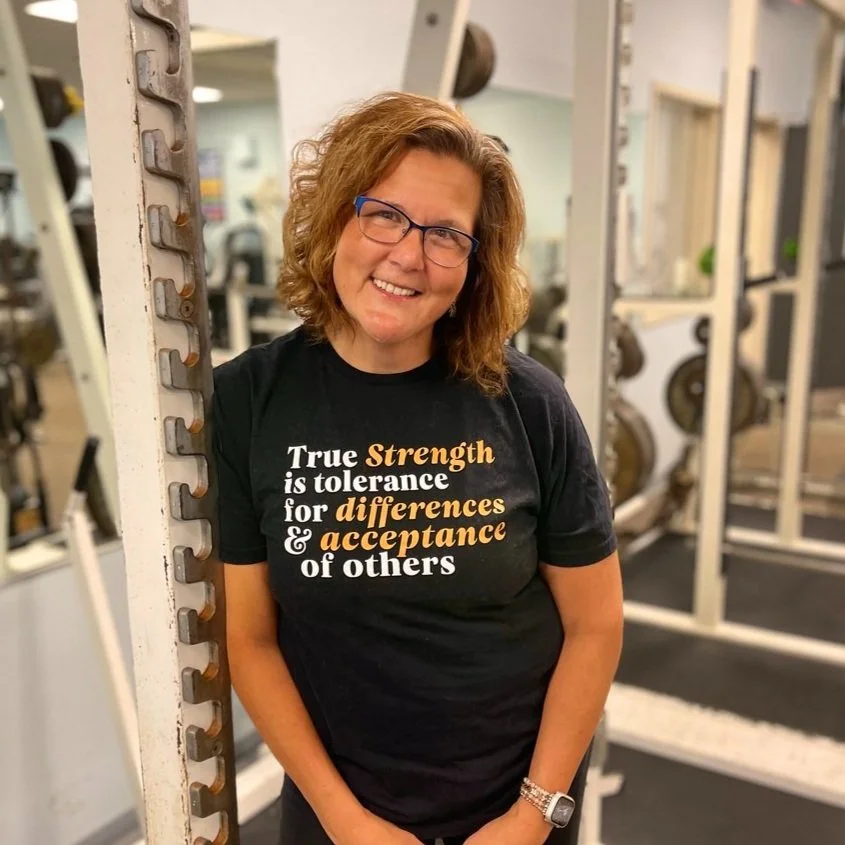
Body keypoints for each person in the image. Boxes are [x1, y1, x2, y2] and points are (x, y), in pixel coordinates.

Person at [212, 91, 624, 845]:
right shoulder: (246, 401)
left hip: (513, 809)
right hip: (340, 814)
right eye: (384, 214)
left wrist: (534, 814)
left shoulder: (528, 403)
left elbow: (594, 625)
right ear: (337, 213)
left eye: (445, 233)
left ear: (473, 262)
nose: (408, 254)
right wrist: (344, 819)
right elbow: (250, 638)